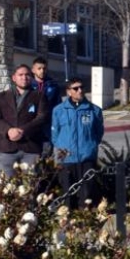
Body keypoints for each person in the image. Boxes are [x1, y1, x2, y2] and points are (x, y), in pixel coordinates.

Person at [50, 78, 103, 207]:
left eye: (82, 87)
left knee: (87, 194)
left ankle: (87, 221)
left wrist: (90, 146)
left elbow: (98, 133)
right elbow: (55, 134)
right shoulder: (58, 110)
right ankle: (69, 221)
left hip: (87, 157)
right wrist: (62, 149)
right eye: (76, 88)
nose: (80, 90)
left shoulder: (94, 110)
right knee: (68, 194)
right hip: (66, 158)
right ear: (69, 92)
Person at [0, 65, 49, 176]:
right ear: (14, 78)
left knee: (30, 186)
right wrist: (8, 131)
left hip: (31, 148)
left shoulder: (39, 96)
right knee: (10, 187)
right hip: (8, 147)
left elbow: (42, 117)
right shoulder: (2, 96)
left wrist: (22, 131)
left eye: (27, 75)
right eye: (20, 75)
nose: (24, 77)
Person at [31, 57, 61, 156]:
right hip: (32, 126)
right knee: (32, 158)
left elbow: (58, 106)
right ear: (33, 70)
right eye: (39, 68)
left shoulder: (53, 85)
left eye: (44, 68)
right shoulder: (28, 85)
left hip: (47, 126)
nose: (42, 71)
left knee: (46, 156)